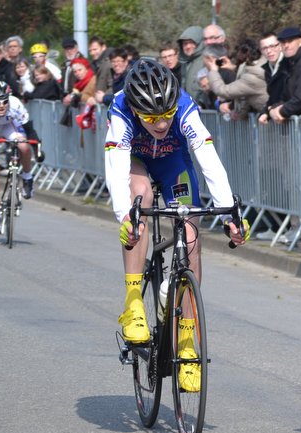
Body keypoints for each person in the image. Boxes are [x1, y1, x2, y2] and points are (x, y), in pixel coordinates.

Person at [103, 58, 248, 391]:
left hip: (172, 162)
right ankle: (134, 303)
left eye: (166, 115)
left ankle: (186, 342)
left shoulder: (184, 105)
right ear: (137, 110)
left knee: (191, 232)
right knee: (140, 202)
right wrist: (125, 216)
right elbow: (116, 164)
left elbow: (208, 159)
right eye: (152, 118)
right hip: (137, 161)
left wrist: (229, 215)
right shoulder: (121, 108)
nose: (160, 123)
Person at [0, 81, 42, 233]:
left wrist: (37, 148)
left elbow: (29, 130)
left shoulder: (15, 105)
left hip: (8, 125)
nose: (2, 105)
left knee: (24, 146)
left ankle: (27, 177)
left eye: (5, 101)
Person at [203, 39, 268, 120]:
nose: (236, 61)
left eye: (237, 59)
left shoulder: (251, 78)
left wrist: (213, 71)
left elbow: (223, 91)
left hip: (272, 120)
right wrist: (233, 67)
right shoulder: (261, 66)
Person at [266, 27, 301, 123]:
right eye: (283, 42)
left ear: (300, 42)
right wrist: (272, 110)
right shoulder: (288, 63)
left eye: (290, 41)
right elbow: (285, 96)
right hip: (300, 124)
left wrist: (281, 112)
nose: (286, 45)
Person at [257, 32, 287, 124]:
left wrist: (272, 109)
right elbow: (272, 97)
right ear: (261, 51)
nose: (269, 51)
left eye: (272, 46)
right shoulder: (267, 69)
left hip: (291, 115)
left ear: (280, 46)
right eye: (265, 48)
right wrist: (265, 112)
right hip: (279, 119)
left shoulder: (288, 65)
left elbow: (291, 95)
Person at [177, 26, 205, 104]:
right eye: (185, 44)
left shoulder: (207, 61)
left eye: (192, 42)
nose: (188, 46)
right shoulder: (184, 64)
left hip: (206, 112)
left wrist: (202, 103)